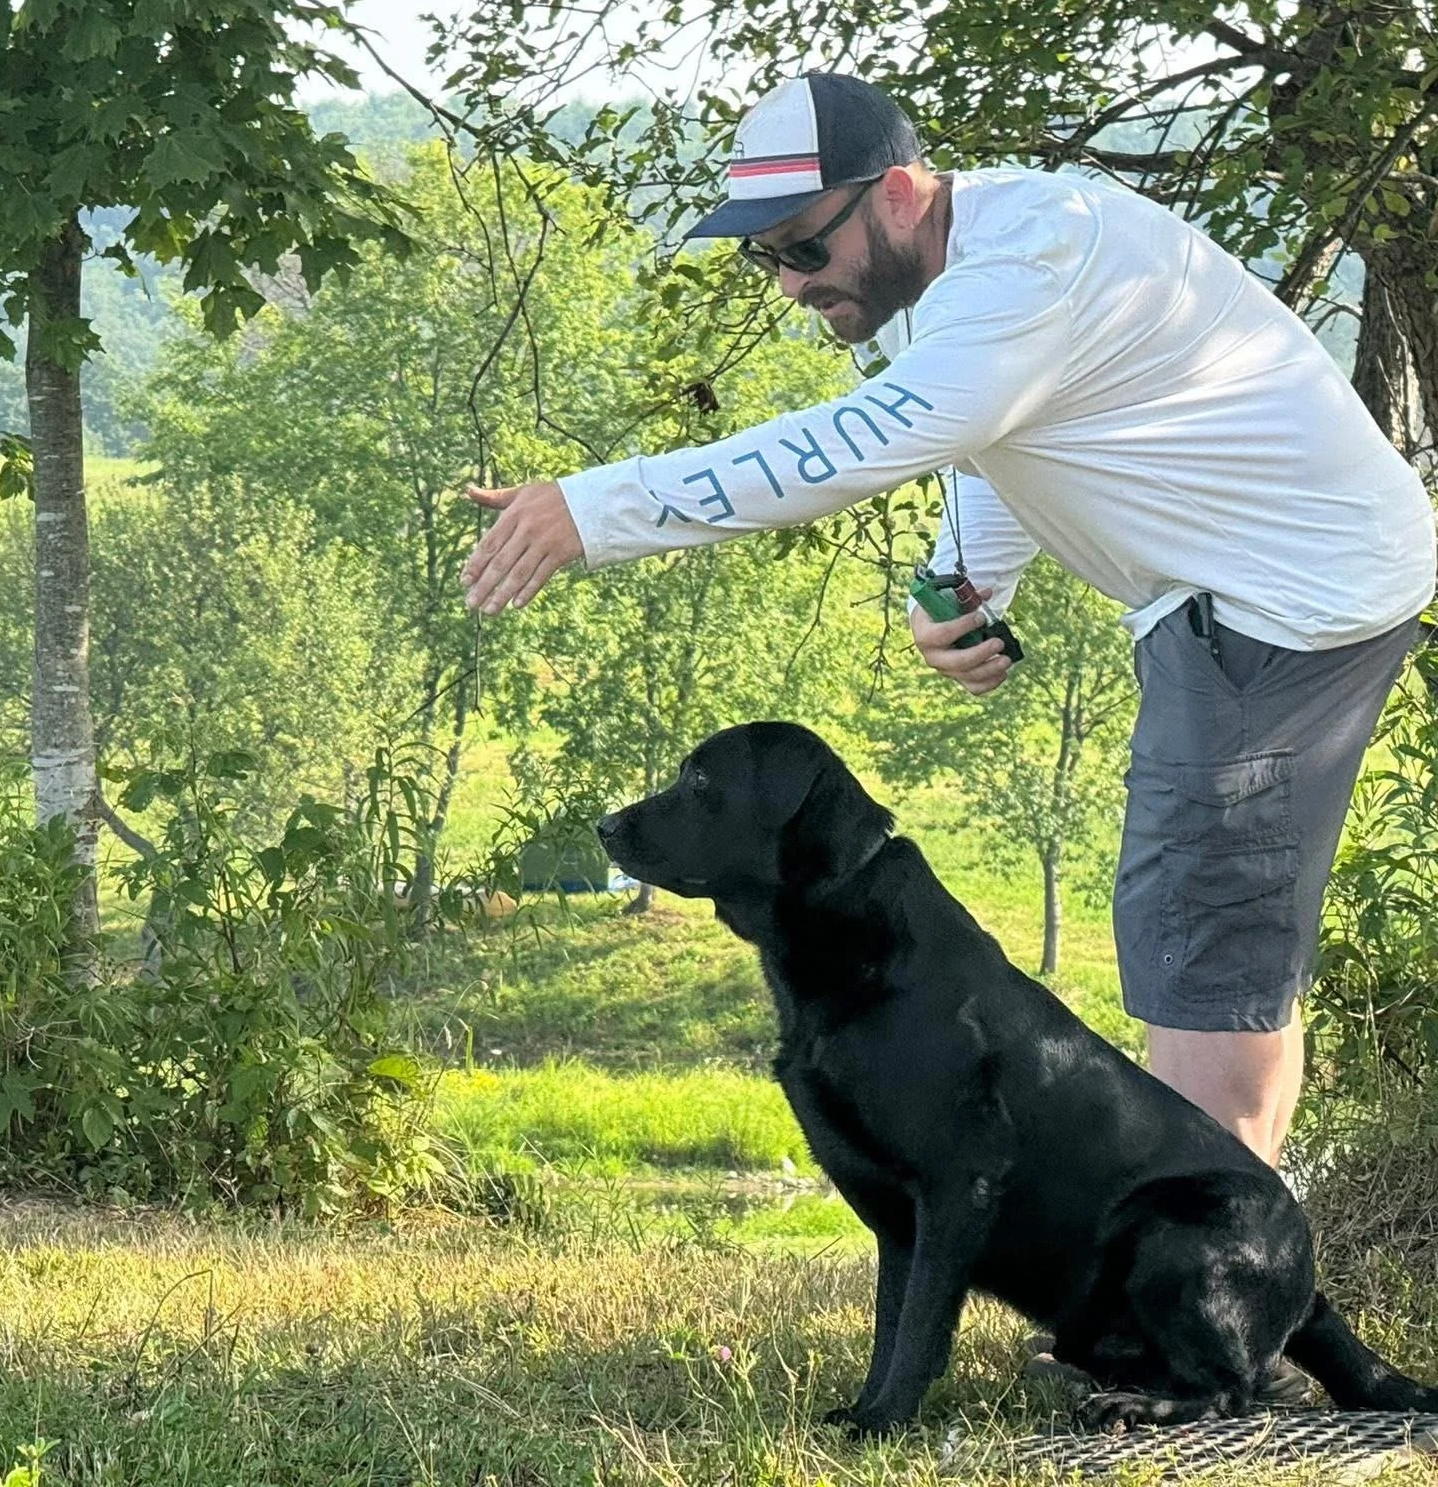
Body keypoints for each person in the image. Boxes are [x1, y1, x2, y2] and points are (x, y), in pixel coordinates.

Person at [459, 71, 1435, 1176]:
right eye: (762, 256)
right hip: (1253, 589)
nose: (786, 284)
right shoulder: (953, 274)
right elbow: (985, 432)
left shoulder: (1025, 266)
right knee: (1201, 930)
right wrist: (961, 582)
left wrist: (594, 507)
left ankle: (1200, 1296)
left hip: (1275, 610)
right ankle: (1205, 1262)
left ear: (900, 196)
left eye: (800, 248)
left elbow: (881, 433)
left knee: (1202, 935)